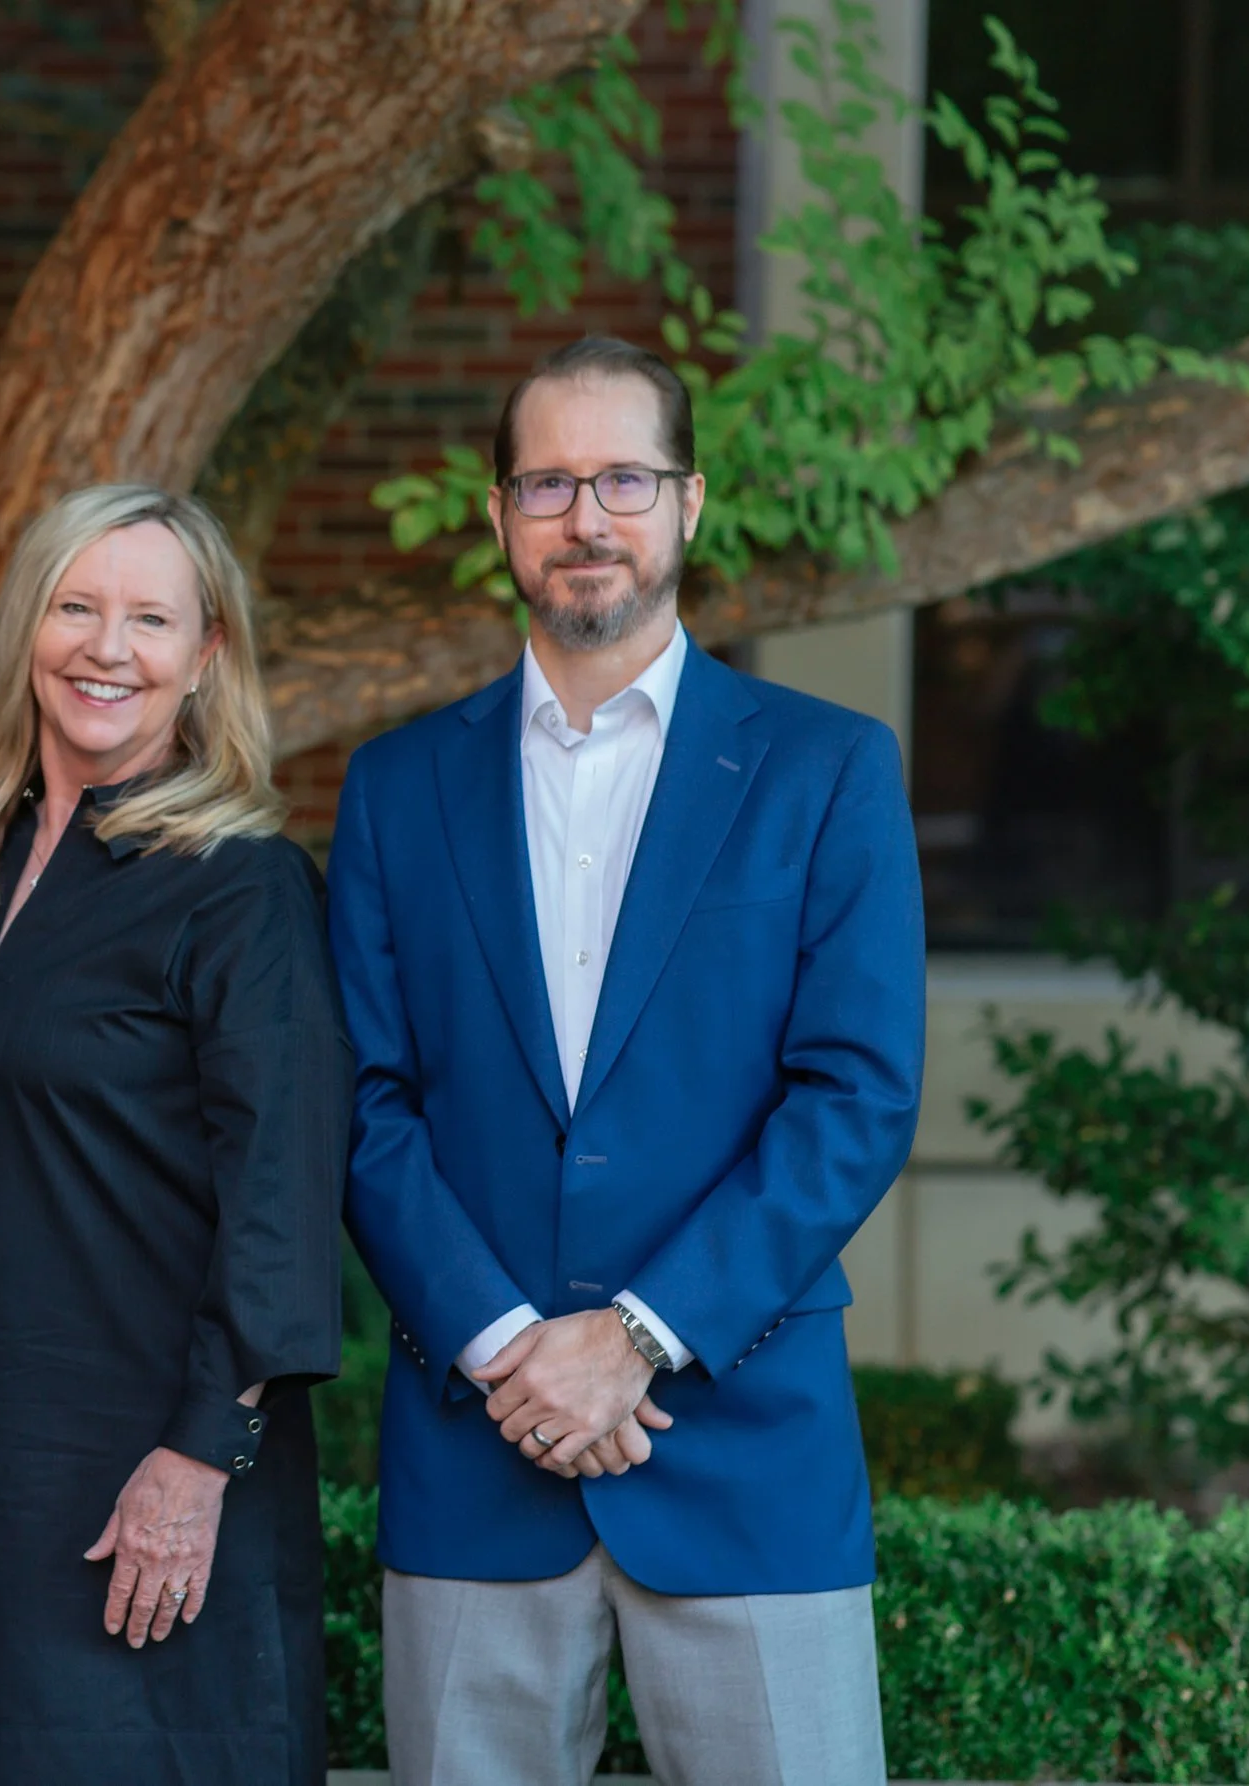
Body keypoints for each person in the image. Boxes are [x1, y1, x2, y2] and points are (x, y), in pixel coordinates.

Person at [328, 336, 925, 1785]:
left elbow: (855, 1098)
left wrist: (635, 1336)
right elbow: (361, 1100)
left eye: (624, 479)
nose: (585, 516)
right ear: (499, 514)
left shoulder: (824, 769)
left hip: (746, 1449)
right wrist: (507, 1347)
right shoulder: (397, 787)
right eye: (547, 483)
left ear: (689, 501)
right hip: (479, 1451)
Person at [0, 485, 350, 1785]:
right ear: (28, 628)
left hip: (155, 1477)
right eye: (76, 607)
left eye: (150, 619)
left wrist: (200, 1454)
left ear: (207, 654)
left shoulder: (242, 889)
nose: (107, 648)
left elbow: (284, 1199)